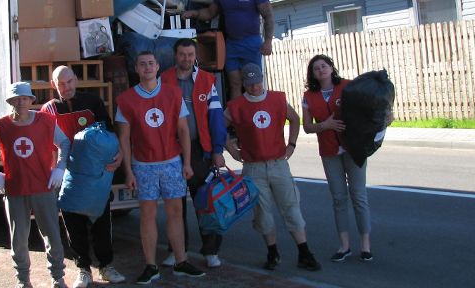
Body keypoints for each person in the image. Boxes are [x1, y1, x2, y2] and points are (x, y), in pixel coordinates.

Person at [116, 51, 206, 284]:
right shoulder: (126, 99)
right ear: (136, 68)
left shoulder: (173, 93)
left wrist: (186, 163)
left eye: (151, 63)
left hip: (171, 163)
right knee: (147, 215)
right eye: (142, 64)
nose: (147, 67)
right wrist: (128, 171)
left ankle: (181, 261)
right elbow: (124, 139)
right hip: (144, 165)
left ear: (157, 67)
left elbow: (184, 130)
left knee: (175, 212)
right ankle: (150, 265)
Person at [224, 63, 322, 272]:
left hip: (278, 163)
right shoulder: (236, 105)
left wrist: (291, 145)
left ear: (262, 79)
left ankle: (304, 252)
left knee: (291, 207)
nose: (254, 87)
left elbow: (294, 119)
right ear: (243, 84)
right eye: (249, 84)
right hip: (253, 167)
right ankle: (272, 252)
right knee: (262, 212)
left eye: (257, 82)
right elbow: (218, 128)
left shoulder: (277, 98)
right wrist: (232, 151)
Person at [41, 66, 126, 287]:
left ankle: (106, 266)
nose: (66, 87)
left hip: (95, 175)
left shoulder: (92, 103)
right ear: (53, 85)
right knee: (73, 225)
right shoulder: (48, 110)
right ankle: (83, 269)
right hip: (68, 176)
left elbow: (109, 133)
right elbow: (45, 145)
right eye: (61, 83)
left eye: (69, 81)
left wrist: (118, 156)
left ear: (76, 80)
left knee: (101, 223)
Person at [0, 82, 70, 288]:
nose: (20, 102)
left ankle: (57, 277)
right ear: (10, 102)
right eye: (16, 99)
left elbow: (64, 143)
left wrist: (60, 168)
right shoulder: (1, 126)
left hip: (43, 187)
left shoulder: (45, 121)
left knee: (52, 235)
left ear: (31, 100)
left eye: (24, 98)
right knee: (19, 239)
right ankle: (23, 280)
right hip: (15, 189)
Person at [159, 38, 227, 268]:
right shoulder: (163, 79)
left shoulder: (208, 80)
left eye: (190, 54)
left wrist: (218, 149)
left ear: (195, 55)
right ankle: (176, 251)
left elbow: (216, 117)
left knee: (205, 201)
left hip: (200, 151)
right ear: (175, 55)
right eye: (182, 54)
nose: (186, 59)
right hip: (171, 151)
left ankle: (211, 251)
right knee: (174, 204)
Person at [300, 54, 373, 263]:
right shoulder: (309, 96)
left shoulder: (348, 86)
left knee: (358, 196)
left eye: (324, 66)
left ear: (332, 68)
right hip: (329, 151)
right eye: (316, 68)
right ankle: (344, 246)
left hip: (353, 148)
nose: (321, 70)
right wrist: (325, 125)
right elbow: (307, 127)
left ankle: (365, 245)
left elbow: (368, 106)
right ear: (312, 74)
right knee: (339, 198)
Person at [181, 0, 275, 100]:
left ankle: (256, 117)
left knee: (254, 83)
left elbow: (268, 16)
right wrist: (194, 13)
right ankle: (236, 119)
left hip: (252, 43)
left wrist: (268, 41)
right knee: (235, 83)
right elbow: (210, 13)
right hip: (231, 44)